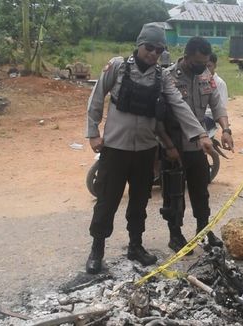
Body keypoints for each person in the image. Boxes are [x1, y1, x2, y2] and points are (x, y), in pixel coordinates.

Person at [85, 23, 213, 274]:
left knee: (139, 201)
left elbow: (178, 104)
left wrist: (199, 133)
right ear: (139, 44)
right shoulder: (118, 67)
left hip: (145, 150)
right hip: (115, 147)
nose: (153, 53)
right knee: (107, 201)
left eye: (159, 49)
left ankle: (136, 246)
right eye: (149, 47)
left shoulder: (161, 76)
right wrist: (92, 134)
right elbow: (97, 97)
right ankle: (97, 249)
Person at [162, 37, 234, 254]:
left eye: (205, 63)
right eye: (197, 63)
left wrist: (226, 130)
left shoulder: (206, 76)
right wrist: (167, 146)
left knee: (201, 192)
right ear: (186, 56)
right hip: (175, 145)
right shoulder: (168, 77)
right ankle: (175, 235)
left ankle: (203, 231)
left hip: (199, 147)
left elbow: (217, 105)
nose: (201, 67)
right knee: (174, 194)